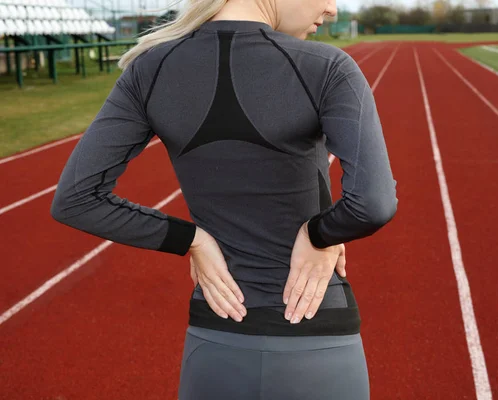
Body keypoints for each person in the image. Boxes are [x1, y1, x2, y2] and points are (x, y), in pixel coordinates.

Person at [50, 0, 398, 398]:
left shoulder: (151, 68)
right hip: (317, 331)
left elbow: (76, 199)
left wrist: (192, 240)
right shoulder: (327, 66)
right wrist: (319, 232)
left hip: (218, 328)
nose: (333, 9)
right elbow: (372, 202)